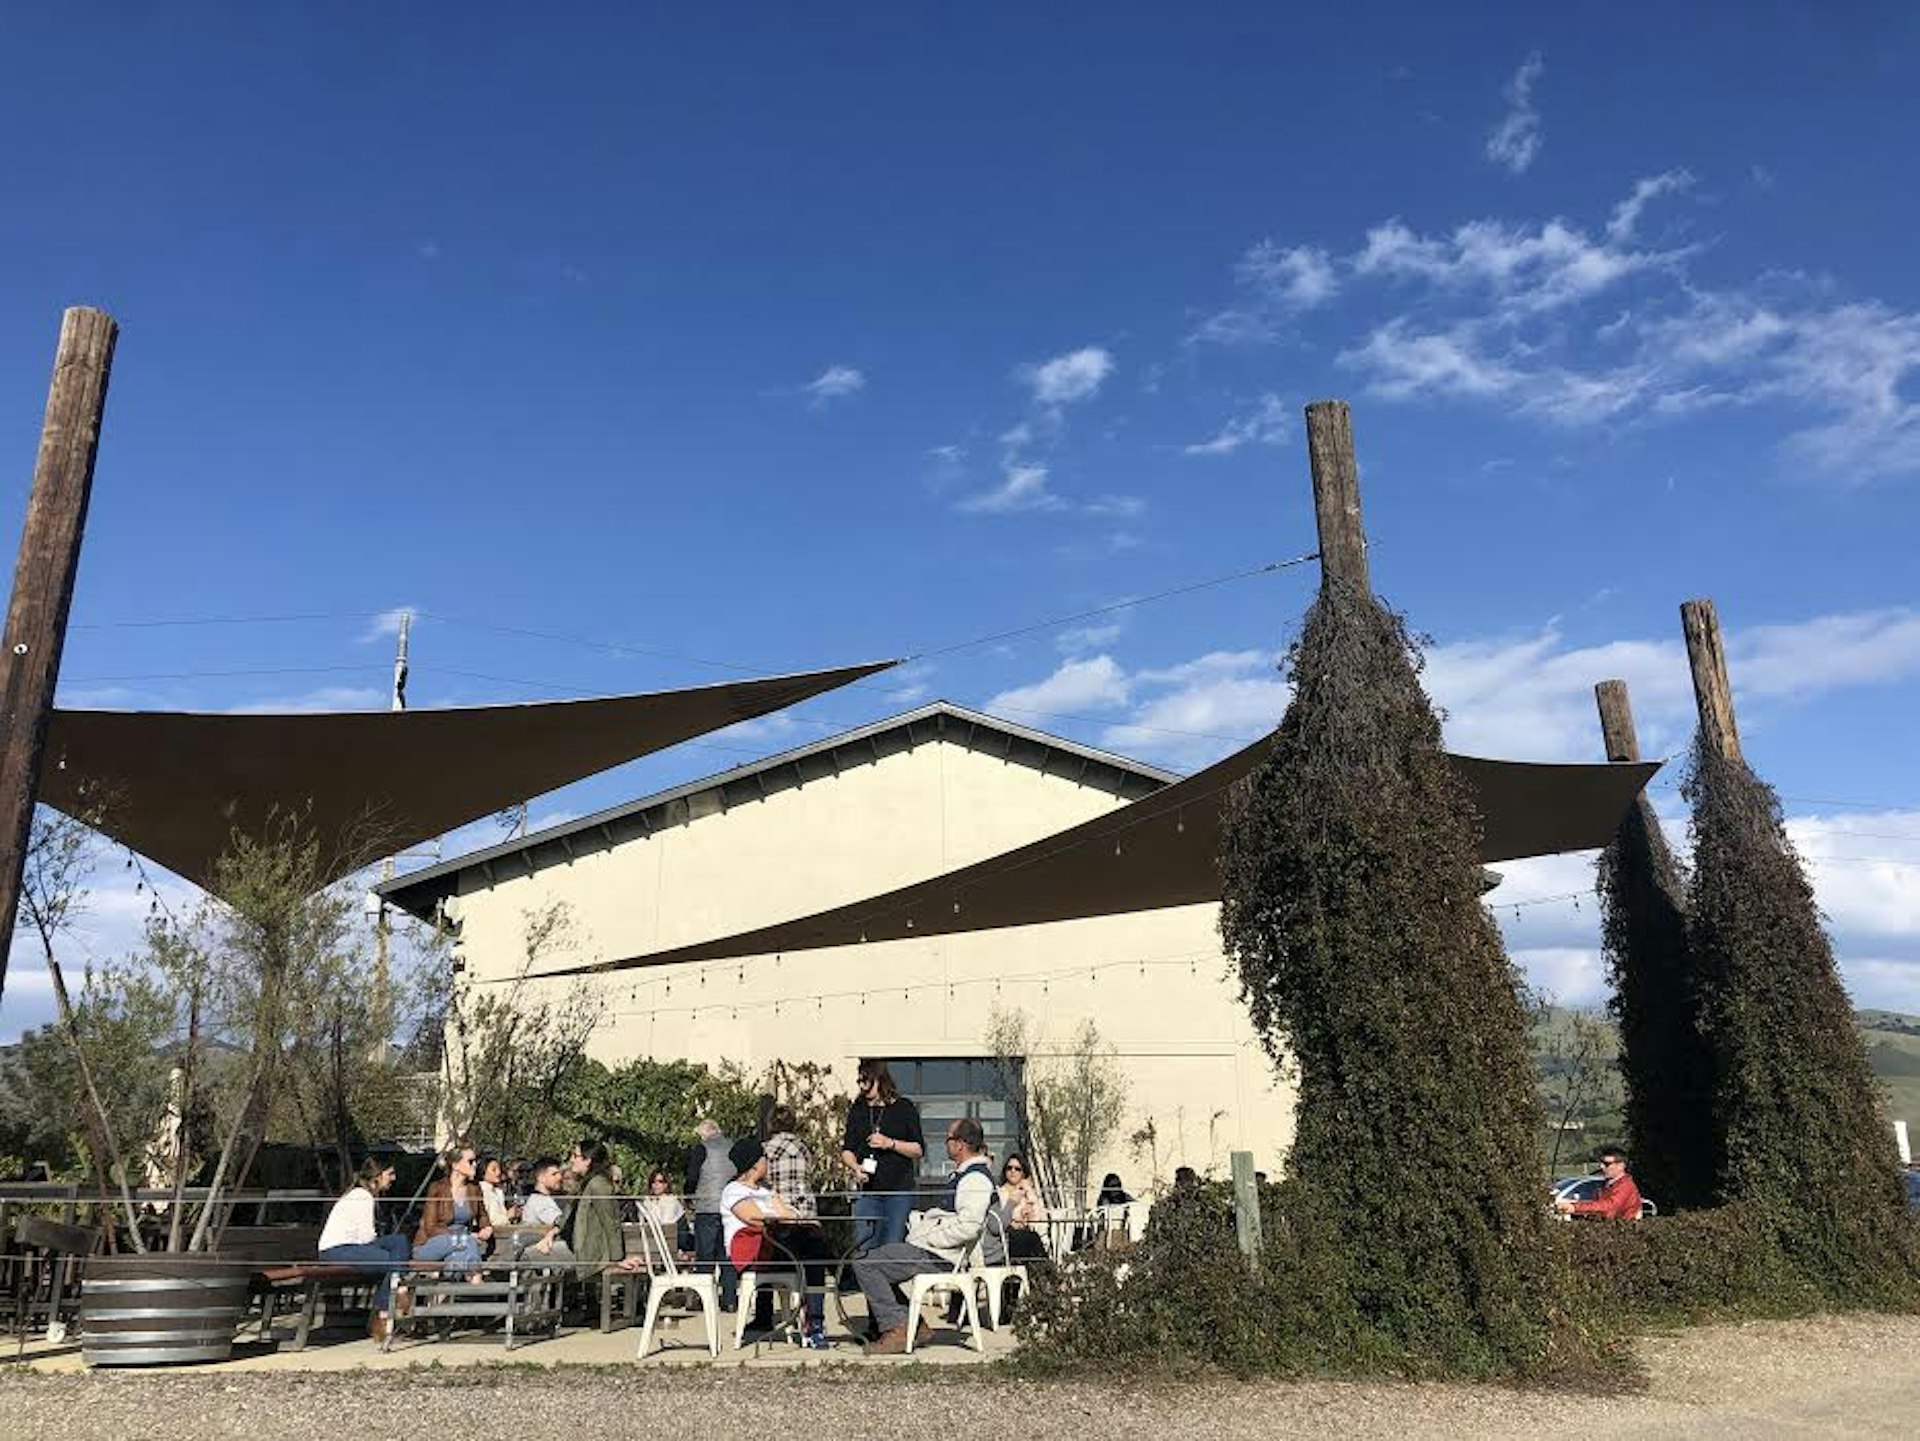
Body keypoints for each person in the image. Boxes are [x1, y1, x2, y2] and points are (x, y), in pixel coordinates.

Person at [853, 1116, 1005, 1355]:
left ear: (960, 1144)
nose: (946, 1144)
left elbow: (969, 1226)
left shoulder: (975, 1178)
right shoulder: (966, 1175)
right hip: (933, 1251)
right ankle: (913, 1325)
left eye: (948, 1139)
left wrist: (930, 1237)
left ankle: (897, 1327)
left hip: (940, 1256)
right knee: (871, 1261)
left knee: (866, 1264)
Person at [722, 1137, 829, 1349]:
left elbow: (789, 1216)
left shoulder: (765, 1190)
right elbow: (755, 1219)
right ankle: (844, 1272)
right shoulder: (734, 1190)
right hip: (754, 1251)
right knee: (812, 1242)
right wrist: (782, 1215)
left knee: (814, 1248)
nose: (768, 1163)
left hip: (777, 1245)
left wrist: (784, 1215)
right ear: (753, 1164)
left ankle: (815, 1325)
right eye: (764, 1158)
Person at [318, 1157, 410, 1339]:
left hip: (351, 1248)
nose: (393, 1178)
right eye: (390, 1174)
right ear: (377, 1176)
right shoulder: (362, 1196)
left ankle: (398, 1292)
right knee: (392, 1262)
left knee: (399, 1242)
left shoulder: (366, 1196)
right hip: (337, 1251)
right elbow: (367, 1238)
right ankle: (384, 1312)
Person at [840, 1058, 924, 1253]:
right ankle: (866, 1281)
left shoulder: (904, 1108)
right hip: (868, 1192)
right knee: (864, 1244)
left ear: (879, 1080)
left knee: (893, 1243)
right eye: (859, 1081)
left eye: (866, 1081)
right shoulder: (858, 1109)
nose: (862, 1086)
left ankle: (890, 1282)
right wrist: (855, 1167)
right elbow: (847, 1149)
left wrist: (890, 1143)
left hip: (898, 1192)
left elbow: (918, 1149)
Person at [568, 1139, 642, 1288]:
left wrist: (617, 1258)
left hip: (585, 1253)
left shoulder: (598, 1185)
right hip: (574, 1246)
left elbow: (611, 1222)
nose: (571, 1160)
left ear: (587, 1160)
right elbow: (567, 1216)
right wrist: (552, 1233)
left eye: (575, 1156)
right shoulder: (585, 1183)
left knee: (526, 1258)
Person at [414, 1143, 493, 1278]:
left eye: (476, 1161)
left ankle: (441, 1297)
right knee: (468, 1242)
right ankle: (477, 1281)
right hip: (431, 1243)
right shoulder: (437, 1188)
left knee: (458, 1260)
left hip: (462, 1245)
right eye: (470, 1161)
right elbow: (430, 1228)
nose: (475, 1165)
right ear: (455, 1165)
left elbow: (482, 1216)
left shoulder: (474, 1188)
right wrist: (463, 1236)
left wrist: (486, 1228)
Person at [685, 1118, 739, 1309]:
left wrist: (688, 1195)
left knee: (705, 1255)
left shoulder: (701, 1149)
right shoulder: (733, 1147)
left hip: (707, 1206)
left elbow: (692, 1175)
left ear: (705, 1133)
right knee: (727, 1255)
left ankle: (704, 1298)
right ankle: (730, 1299)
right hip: (730, 1207)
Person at [1556, 1146, 1644, 1221]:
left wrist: (1575, 1207)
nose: (1601, 1167)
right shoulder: (1607, 1184)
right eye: (1601, 1163)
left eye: (1606, 1164)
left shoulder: (1626, 1186)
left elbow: (1609, 1207)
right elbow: (1598, 1208)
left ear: (1621, 1166)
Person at [515, 1156, 574, 1265]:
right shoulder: (538, 1201)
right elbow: (561, 1221)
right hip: (536, 1252)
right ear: (540, 1178)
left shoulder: (551, 1199)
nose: (559, 1177)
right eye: (554, 1174)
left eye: (559, 1173)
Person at [998, 1153, 1048, 1262]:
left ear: (1023, 1172)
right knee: (1027, 1239)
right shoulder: (1001, 1192)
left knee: (1032, 1238)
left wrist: (1029, 1190)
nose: (1012, 1171)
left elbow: (1039, 1218)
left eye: (1017, 1169)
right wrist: (1017, 1218)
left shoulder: (1028, 1192)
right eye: (1009, 1168)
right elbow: (1001, 1216)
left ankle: (1041, 1271)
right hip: (1008, 1235)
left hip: (1028, 1234)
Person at [478, 1155, 516, 1231]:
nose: (498, 1172)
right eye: (494, 1170)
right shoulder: (482, 1191)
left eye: (499, 1169)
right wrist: (508, 1216)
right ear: (483, 1172)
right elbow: (490, 1220)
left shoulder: (498, 1192)